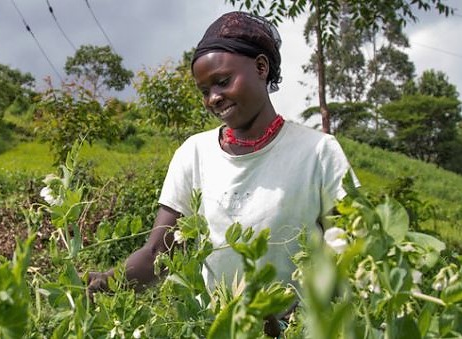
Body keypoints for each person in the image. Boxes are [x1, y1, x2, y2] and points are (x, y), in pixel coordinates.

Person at [87, 11, 357, 337]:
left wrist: (298, 316)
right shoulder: (194, 153)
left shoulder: (318, 152)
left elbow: (347, 250)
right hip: (213, 328)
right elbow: (160, 251)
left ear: (261, 67)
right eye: (204, 90)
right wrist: (107, 281)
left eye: (222, 81)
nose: (213, 98)